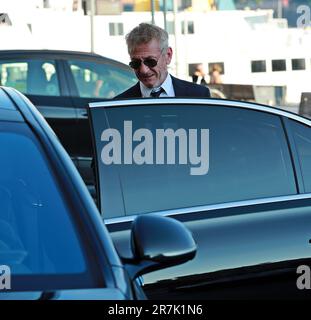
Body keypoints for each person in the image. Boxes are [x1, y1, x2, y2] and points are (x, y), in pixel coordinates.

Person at [115, 23, 210, 99]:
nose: (144, 70)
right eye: (135, 63)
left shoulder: (198, 96)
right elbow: (127, 124)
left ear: (168, 55)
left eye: (150, 61)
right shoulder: (122, 105)